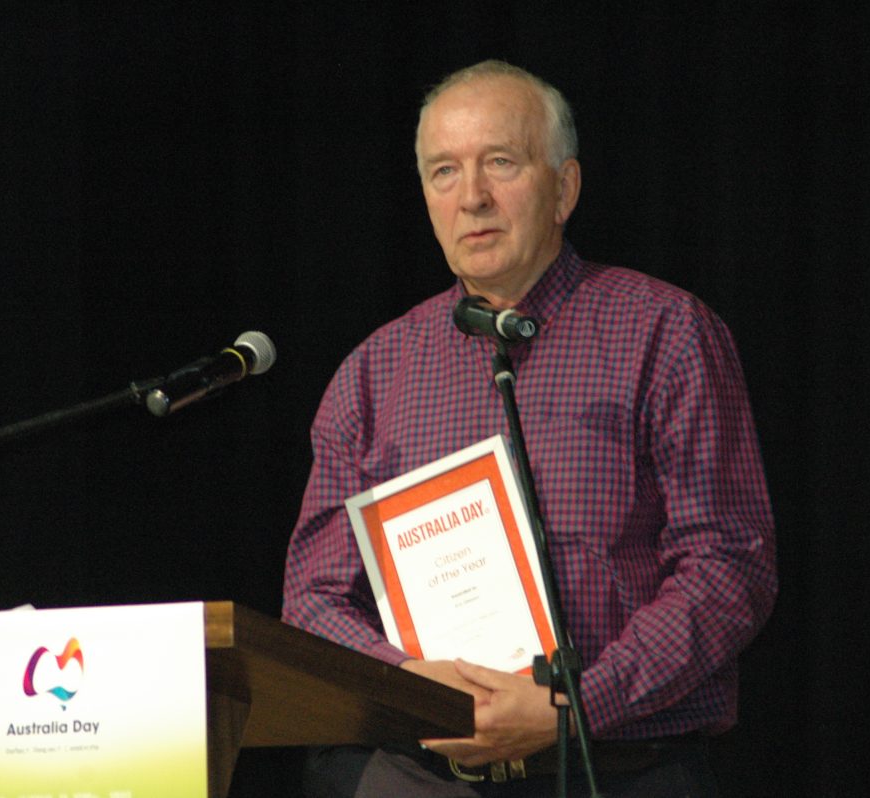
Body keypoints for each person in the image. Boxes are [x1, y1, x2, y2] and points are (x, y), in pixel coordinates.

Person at [282, 59, 776, 797]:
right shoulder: (372, 375)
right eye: (444, 172)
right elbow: (313, 599)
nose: (472, 197)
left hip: (618, 767)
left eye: (500, 164)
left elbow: (730, 563)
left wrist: (572, 706)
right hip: (419, 772)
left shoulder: (666, 333)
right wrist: (414, 690)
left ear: (564, 189)